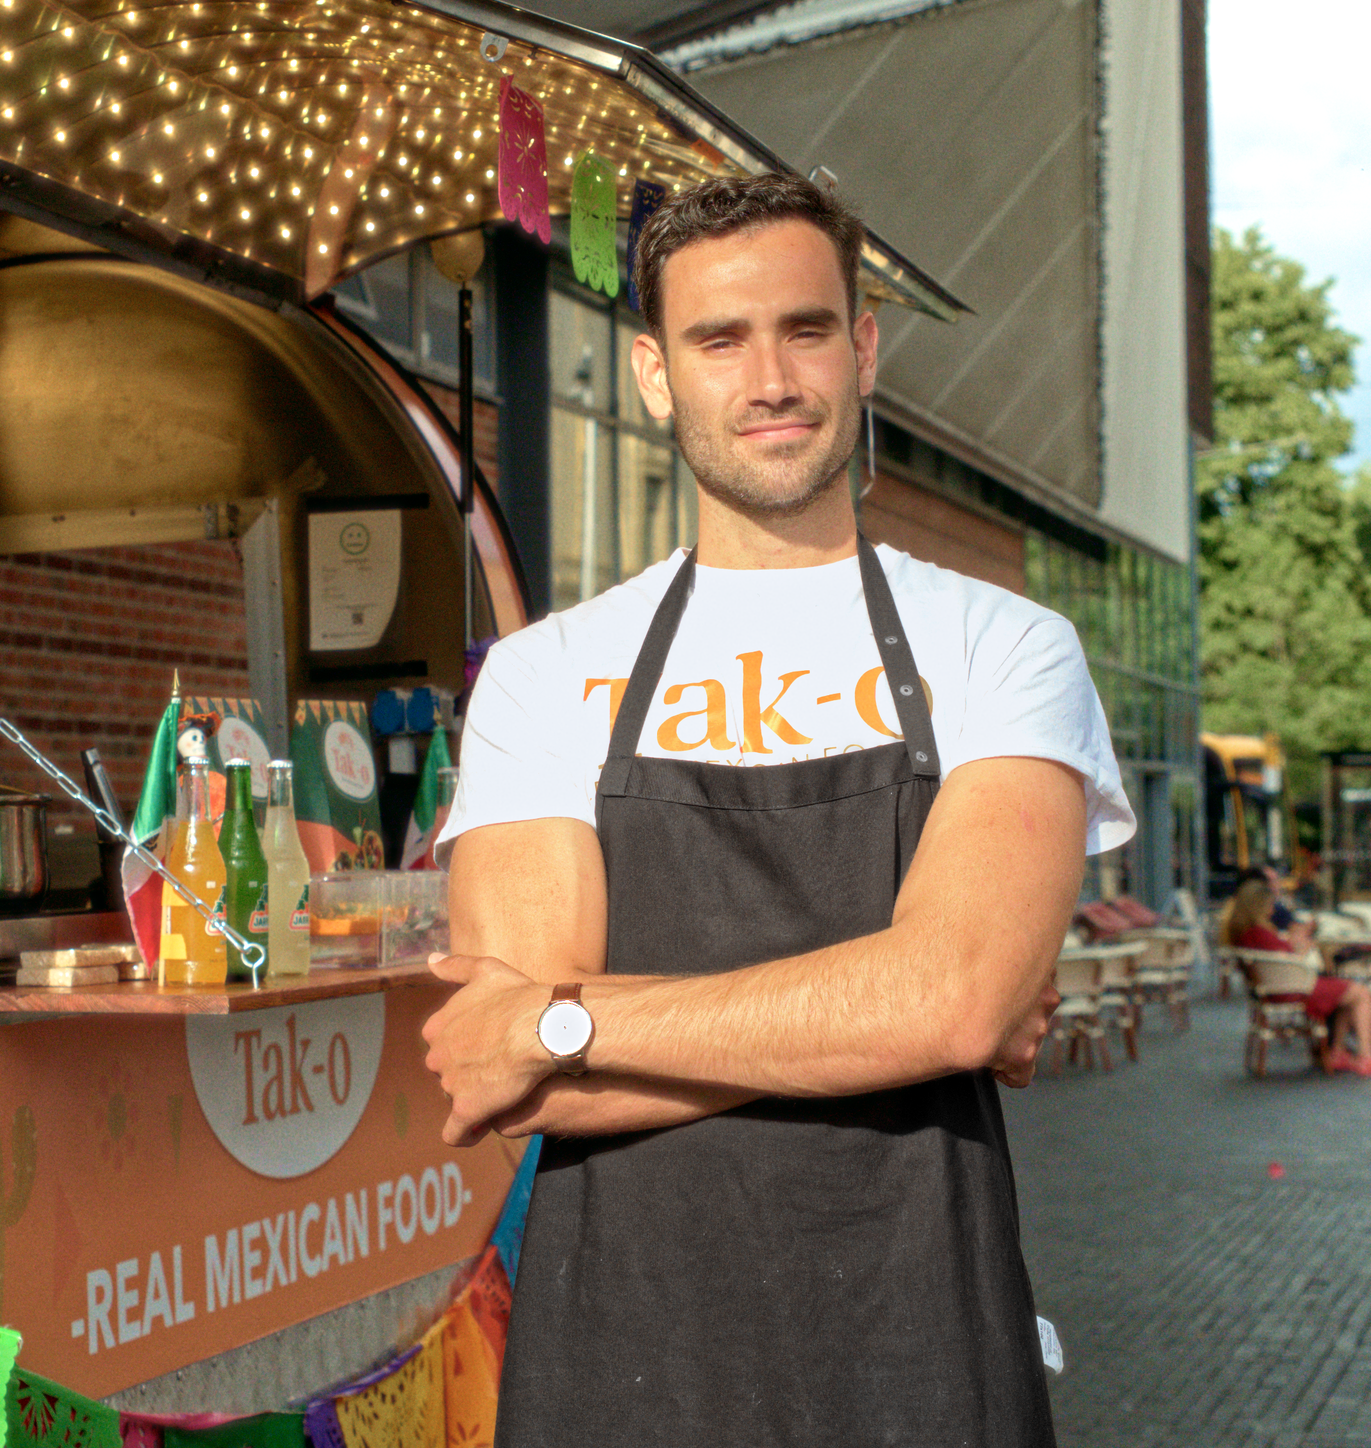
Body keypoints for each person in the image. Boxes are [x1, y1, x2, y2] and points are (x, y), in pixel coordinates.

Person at [421, 173, 1135, 1447]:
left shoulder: (1006, 645)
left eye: (806, 330)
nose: (771, 380)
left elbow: (958, 996)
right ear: (654, 373)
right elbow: (507, 1079)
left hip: (925, 1356)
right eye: (718, 339)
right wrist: (895, 1011)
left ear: (862, 349)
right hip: (624, 1364)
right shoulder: (545, 675)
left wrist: (569, 1019)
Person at [1225, 876, 1371, 1073]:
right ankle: (1364, 1055)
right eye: (1269, 905)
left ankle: (1338, 1051)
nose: (1272, 909)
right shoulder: (1259, 932)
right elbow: (1290, 958)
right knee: (1360, 992)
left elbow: (1280, 956)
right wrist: (1302, 946)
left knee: (1348, 992)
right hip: (1294, 988)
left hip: (1275, 988)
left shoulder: (1245, 932)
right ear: (1257, 906)